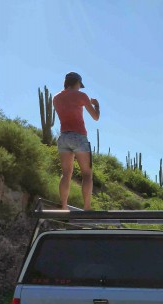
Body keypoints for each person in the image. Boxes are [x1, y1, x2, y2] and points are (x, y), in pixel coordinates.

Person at [53, 72, 100, 210]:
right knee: (87, 174)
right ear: (77, 83)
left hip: (63, 136)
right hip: (79, 136)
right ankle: (87, 207)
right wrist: (96, 105)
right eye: (80, 85)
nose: (80, 87)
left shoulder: (56, 98)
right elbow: (95, 117)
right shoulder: (81, 96)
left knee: (66, 173)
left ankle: (63, 206)